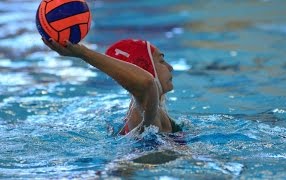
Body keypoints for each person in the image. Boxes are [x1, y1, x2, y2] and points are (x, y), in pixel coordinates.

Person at [42, 38, 182, 135]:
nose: (170, 67)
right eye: (161, 60)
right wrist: (83, 53)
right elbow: (147, 83)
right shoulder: (144, 110)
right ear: (145, 68)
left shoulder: (147, 110)